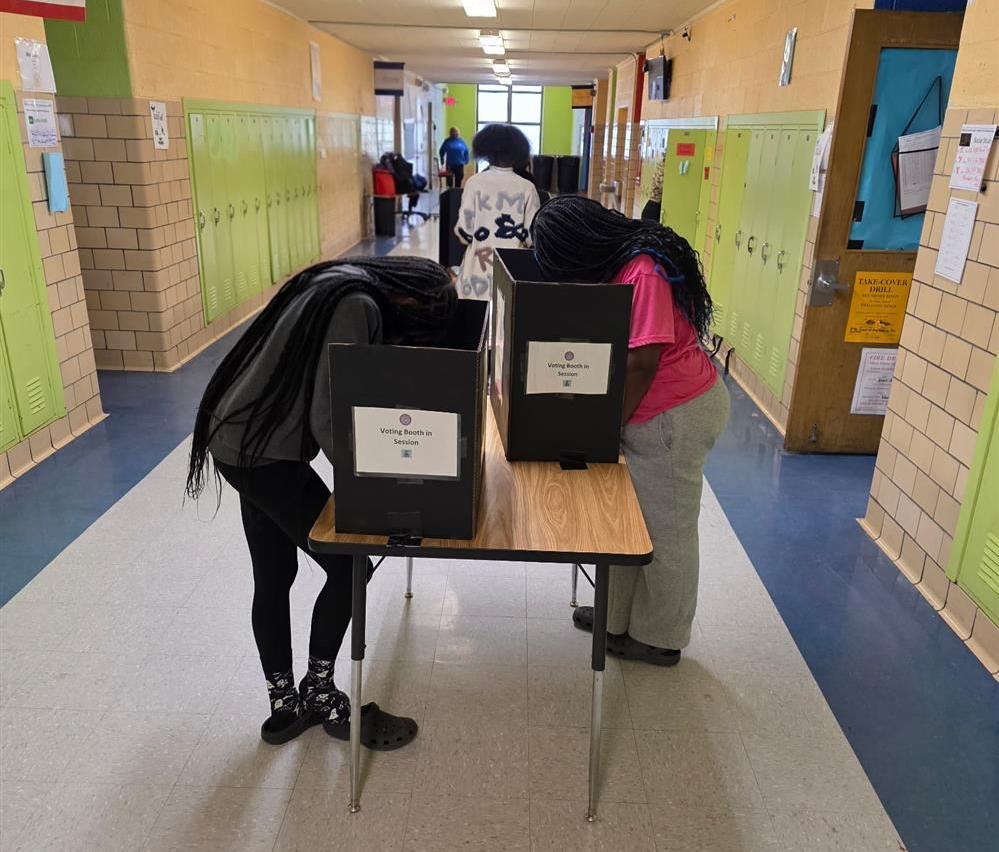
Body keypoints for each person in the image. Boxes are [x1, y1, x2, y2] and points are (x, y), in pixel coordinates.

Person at [186, 257, 456, 745]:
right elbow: (327, 416)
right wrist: (380, 484)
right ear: (411, 301)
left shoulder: (340, 280)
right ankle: (320, 694)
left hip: (238, 437)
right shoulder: (357, 305)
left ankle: (284, 708)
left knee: (274, 576)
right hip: (263, 454)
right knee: (351, 566)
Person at [532, 198, 729, 666]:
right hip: (653, 411)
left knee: (666, 533)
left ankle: (660, 637)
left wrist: (609, 425)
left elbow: (643, 361)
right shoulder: (622, 264)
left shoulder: (642, 271)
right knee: (626, 525)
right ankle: (615, 618)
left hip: (673, 415)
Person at [455, 124, 540, 300]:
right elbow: (533, 237)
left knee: (475, 316)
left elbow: (464, 232)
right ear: (517, 154)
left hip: (475, 277)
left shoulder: (474, 183)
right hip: (512, 273)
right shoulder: (527, 187)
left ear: (486, 153)